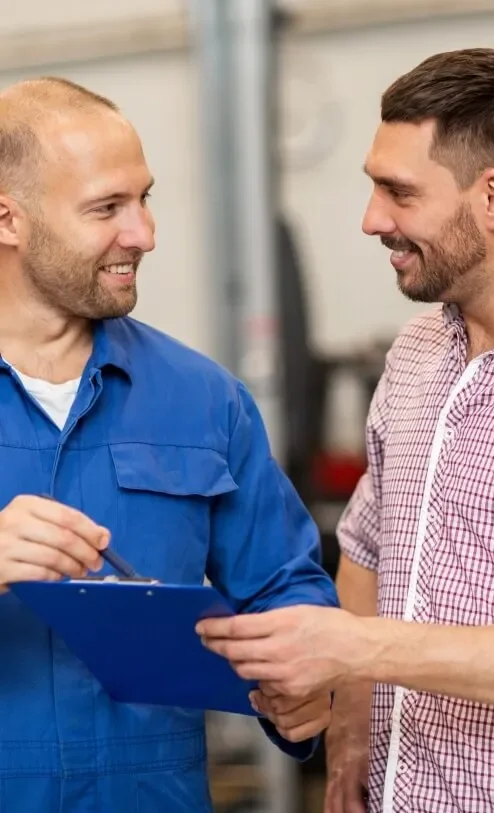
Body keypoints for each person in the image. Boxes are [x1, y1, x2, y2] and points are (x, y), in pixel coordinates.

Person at [0, 76, 338, 812]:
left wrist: (308, 682)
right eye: (107, 208)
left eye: (144, 198)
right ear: (8, 219)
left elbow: (284, 584)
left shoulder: (202, 397)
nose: (144, 234)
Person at [197, 47, 494, 813]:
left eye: (397, 192)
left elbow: (361, 631)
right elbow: (368, 552)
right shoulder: (414, 353)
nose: (373, 219)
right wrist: (355, 735)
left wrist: (355, 648)